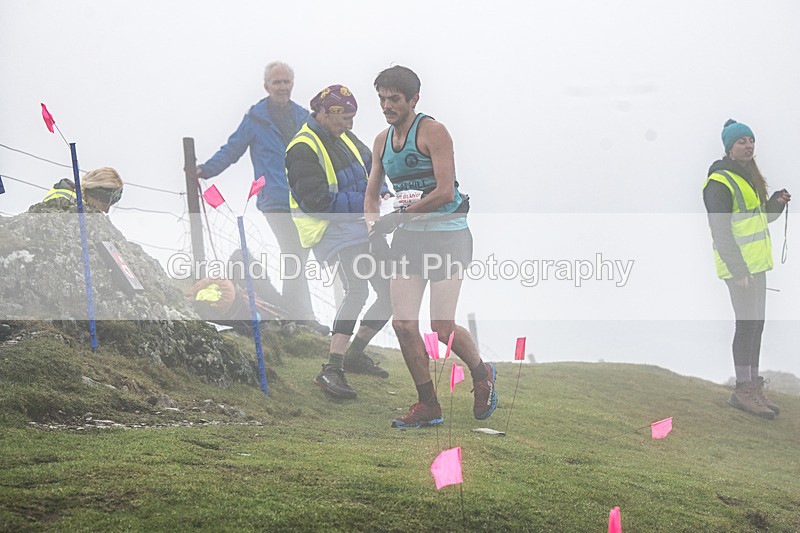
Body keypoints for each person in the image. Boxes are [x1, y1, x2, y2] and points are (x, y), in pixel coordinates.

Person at [365, 66, 497, 428]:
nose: (387, 106)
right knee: (403, 324)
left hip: (447, 236)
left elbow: (444, 192)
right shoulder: (381, 141)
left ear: (414, 100)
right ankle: (428, 404)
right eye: (382, 99)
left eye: (394, 99)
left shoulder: (433, 131)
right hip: (409, 237)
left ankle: (482, 373)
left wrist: (399, 217)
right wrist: (374, 230)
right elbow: (372, 194)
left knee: (441, 327)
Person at [195, 61, 329, 335]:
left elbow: (327, 151)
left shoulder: (304, 117)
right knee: (294, 251)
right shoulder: (255, 120)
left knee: (297, 254)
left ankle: (294, 314)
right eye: (277, 82)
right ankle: (302, 315)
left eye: (286, 82)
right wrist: (205, 170)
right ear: (266, 86)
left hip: (303, 199)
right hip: (275, 199)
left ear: (292, 84)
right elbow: (231, 150)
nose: (282, 87)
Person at [285, 84, 393, 400]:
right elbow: (316, 202)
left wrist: (383, 193)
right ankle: (332, 368)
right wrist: (369, 202)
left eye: (352, 118)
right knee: (358, 290)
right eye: (345, 117)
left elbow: (373, 168)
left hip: (360, 222)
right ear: (325, 112)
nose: (350, 124)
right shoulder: (302, 148)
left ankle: (355, 355)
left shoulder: (344, 134)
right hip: (330, 229)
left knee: (390, 292)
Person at [703, 119, 791, 419]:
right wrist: (738, 269)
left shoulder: (747, 178)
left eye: (751, 140)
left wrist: (775, 203)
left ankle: (753, 386)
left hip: (756, 266)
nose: (749, 145)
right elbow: (721, 230)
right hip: (739, 268)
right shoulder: (719, 182)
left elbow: (757, 219)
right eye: (742, 141)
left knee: (757, 324)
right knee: (746, 325)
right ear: (729, 148)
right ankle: (743, 390)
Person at [42, 167, 124, 213]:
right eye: (104, 205)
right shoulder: (70, 205)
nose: (106, 211)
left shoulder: (74, 198)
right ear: (93, 195)